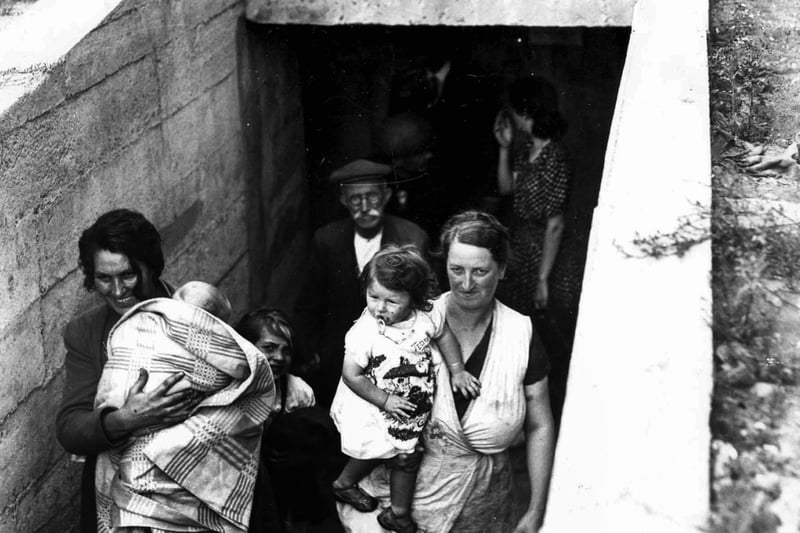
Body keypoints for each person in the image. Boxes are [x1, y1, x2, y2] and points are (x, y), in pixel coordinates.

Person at [339, 211, 555, 533]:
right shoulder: (403, 321)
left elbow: (539, 424)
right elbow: (356, 397)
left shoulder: (519, 334)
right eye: (457, 270)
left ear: (502, 269)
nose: (466, 284)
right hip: (407, 489)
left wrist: (537, 508)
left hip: (486, 501)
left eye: (480, 271)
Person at [93, 280, 274, 532]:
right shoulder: (138, 331)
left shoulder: (157, 329)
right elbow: (249, 377)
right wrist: (125, 416)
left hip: (168, 458)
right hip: (140, 453)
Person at [54, 209, 195, 531]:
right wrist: (127, 418)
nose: (117, 291)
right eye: (104, 278)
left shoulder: (191, 315)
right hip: (121, 486)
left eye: (128, 275)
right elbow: (70, 427)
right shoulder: (86, 333)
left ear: (151, 267)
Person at [330, 244, 480, 533]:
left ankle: (392, 511)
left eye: (392, 301)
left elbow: (444, 335)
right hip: (372, 402)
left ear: (414, 298)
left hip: (409, 401)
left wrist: (458, 370)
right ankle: (349, 487)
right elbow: (352, 375)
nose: (380, 308)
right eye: (373, 297)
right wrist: (385, 400)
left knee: (403, 454)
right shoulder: (365, 332)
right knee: (377, 450)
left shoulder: (425, 317)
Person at [294, 159, 430, 408]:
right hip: (340, 359)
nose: (365, 207)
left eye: (372, 197)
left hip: (398, 359)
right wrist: (309, 351)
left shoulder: (412, 238)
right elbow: (309, 302)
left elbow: (428, 304)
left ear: (386, 196)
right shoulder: (327, 240)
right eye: (356, 200)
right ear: (344, 201)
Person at [493, 76, 581, 427]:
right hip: (523, 249)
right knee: (524, 334)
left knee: (553, 334)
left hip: (549, 257)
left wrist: (543, 278)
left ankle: (559, 416)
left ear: (523, 111)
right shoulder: (524, 146)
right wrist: (502, 146)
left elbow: (555, 223)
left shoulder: (556, 154)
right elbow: (504, 189)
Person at [235, 307, 340, 531]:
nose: (280, 358)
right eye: (269, 348)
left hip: (283, 485)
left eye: (286, 351)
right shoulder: (233, 387)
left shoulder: (296, 391)